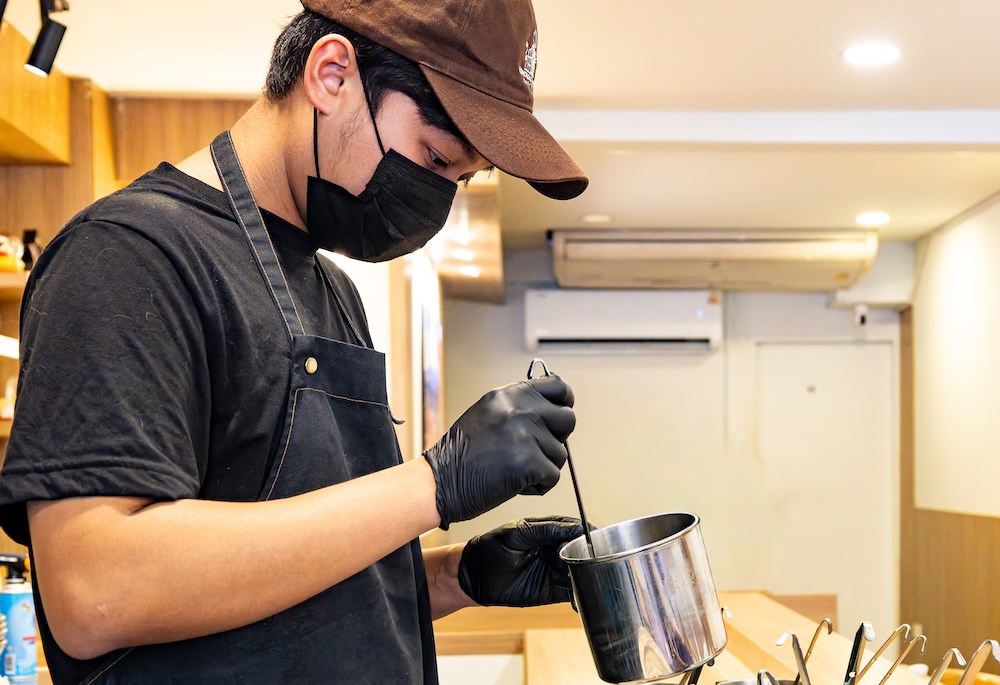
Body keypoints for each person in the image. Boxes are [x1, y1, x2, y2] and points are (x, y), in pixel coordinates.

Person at [0, 0, 589, 683]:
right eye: (435, 157)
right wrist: (433, 482)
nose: (436, 201)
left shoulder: (331, 291)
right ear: (332, 74)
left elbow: (294, 606)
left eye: (460, 180)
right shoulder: (131, 257)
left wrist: (457, 576)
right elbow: (97, 591)